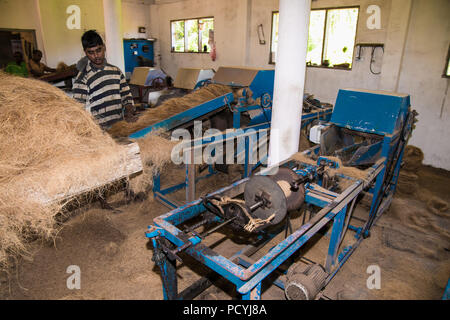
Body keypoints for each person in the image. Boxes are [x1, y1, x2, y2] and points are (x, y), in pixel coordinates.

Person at [73, 30, 136, 128]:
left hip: (120, 126)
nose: (96, 55)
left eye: (99, 50)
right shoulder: (82, 78)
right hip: (99, 130)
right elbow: (78, 110)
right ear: (85, 53)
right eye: (91, 52)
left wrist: (129, 111)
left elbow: (126, 95)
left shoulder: (116, 71)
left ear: (104, 48)